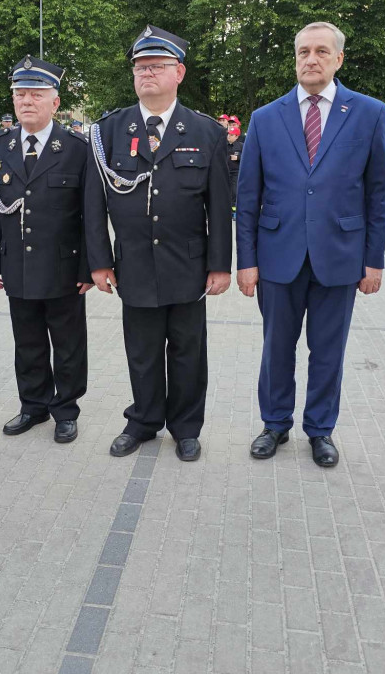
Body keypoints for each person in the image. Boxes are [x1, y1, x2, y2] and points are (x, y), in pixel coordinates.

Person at [236, 21, 385, 465]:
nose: (311, 59)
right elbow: (248, 197)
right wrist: (246, 261)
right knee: (276, 348)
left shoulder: (367, 113)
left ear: (338, 59)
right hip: (278, 256)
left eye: (322, 51)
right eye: (304, 51)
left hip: (340, 257)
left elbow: (379, 194)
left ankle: (320, 429)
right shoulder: (267, 117)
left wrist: (373, 260)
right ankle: (274, 424)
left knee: (328, 351)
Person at [85, 25, 231, 462]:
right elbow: (93, 205)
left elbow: (220, 207)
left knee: (188, 352)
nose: (146, 73)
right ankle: (144, 421)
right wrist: (98, 261)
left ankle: (186, 427)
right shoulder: (108, 131)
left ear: (179, 73)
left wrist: (221, 264)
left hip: (188, 265)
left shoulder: (206, 133)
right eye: (140, 67)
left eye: (157, 66)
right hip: (134, 265)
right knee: (143, 352)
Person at [0, 56, 91, 444]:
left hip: (64, 266)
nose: (27, 101)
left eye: (36, 94)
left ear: (55, 103)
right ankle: (32, 405)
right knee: (26, 341)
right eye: (20, 94)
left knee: (67, 343)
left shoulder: (77, 148)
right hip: (17, 265)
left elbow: (90, 214)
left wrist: (90, 266)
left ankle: (66, 410)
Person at [226, 122, 243, 218]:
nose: (229, 136)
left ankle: (235, 211)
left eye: (231, 135)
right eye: (228, 134)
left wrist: (238, 158)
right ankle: (227, 210)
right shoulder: (223, 145)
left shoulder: (240, 146)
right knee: (225, 191)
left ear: (236, 136)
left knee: (234, 192)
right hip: (225, 172)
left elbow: (247, 157)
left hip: (236, 173)